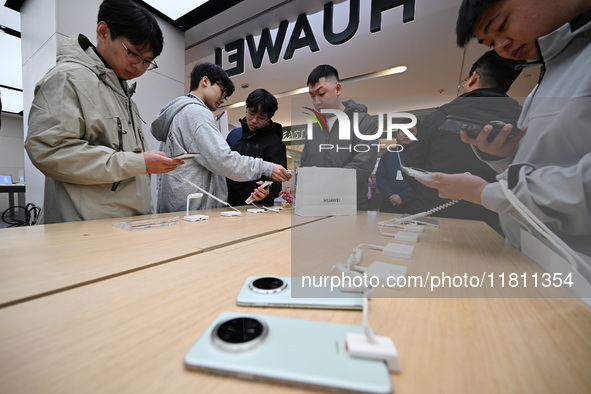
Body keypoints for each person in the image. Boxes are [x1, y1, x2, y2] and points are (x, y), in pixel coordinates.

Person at [419, 0, 591, 268]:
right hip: (531, 251)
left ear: (473, 78)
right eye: (491, 43)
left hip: (574, 264)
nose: (502, 46)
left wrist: (487, 193)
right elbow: (548, 164)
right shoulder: (539, 89)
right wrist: (503, 156)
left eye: (501, 25)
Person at [24, 0, 182, 224]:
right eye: (135, 54)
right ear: (103, 31)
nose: (140, 68)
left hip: (126, 226)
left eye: (148, 62)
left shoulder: (124, 95)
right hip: (86, 229)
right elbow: (49, 150)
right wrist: (140, 163)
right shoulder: (68, 78)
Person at [403, 50, 523, 234]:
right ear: (506, 88)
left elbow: (412, 166)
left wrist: (433, 189)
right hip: (496, 219)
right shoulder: (522, 120)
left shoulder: (439, 117)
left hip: (432, 210)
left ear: (473, 78)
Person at [151, 63, 290, 213]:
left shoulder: (179, 112)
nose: (223, 99)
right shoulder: (197, 114)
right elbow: (223, 160)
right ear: (205, 81)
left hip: (180, 203)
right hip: (192, 208)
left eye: (261, 117)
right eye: (223, 92)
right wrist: (266, 167)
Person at [300, 65, 379, 210]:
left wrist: (322, 185)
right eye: (312, 96)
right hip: (314, 206)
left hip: (348, 206)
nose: (317, 102)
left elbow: (362, 165)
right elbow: (305, 165)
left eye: (322, 93)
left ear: (337, 89)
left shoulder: (363, 122)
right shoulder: (314, 128)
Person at [226, 89, 287, 206]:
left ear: (269, 118)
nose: (254, 120)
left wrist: (268, 191)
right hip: (227, 203)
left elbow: (280, 180)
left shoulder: (275, 144)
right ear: (246, 108)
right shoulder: (233, 135)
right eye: (251, 113)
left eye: (261, 118)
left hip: (258, 206)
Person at [376, 125, 419, 213]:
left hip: (414, 205)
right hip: (388, 204)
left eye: (411, 131)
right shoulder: (387, 155)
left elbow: (422, 181)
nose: (406, 134)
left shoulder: (422, 155)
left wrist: (403, 197)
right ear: (398, 133)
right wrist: (390, 196)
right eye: (403, 131)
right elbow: (380, 177)